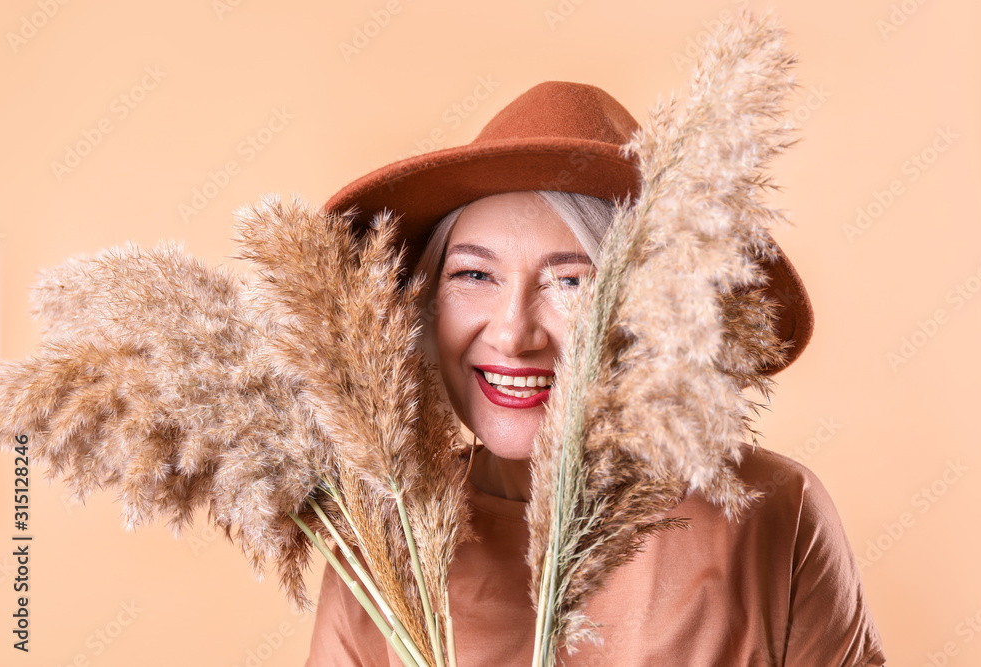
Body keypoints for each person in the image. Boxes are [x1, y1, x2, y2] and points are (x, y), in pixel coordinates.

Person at [305, 81, 886, 666]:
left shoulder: (771, 515)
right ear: (427, 304)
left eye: (573, 282)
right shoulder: (376, 542)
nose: (513, 334)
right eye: (475, 275)